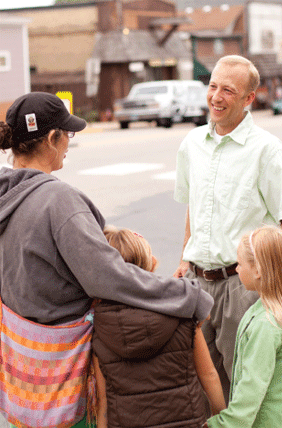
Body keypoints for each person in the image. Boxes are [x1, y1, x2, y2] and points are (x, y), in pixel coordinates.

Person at [0, 92, 214, 428]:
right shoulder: (58, 200)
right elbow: (108, 276)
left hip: (23, 378)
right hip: (66, 380)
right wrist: (185, 295)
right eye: (67, 135)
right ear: (52, 140)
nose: (69, 144)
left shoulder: (6, 196)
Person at [173, 55, 282, 400]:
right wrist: (183, 258)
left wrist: (280, 285)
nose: (216, 97)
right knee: (201, 385)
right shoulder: (191, 143)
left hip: (244, 287)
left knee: (244, 384)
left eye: (228, 90)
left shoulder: (267, 150)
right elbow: (194, 205)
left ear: (249, 98)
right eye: (212, 86)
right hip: (196, 284)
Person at [92, 225, 226, 428]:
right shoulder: (181, 312)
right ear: (149, 264)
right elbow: (209, 376)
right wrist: (220, 418)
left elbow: (104, 402)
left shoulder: (101, 329)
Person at [203, 225, 282, 427]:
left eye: (239, 264)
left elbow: (252, 386)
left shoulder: (265, 325)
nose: (237, 269)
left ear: (258, 270)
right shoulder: (270, 311)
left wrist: (224, 424)